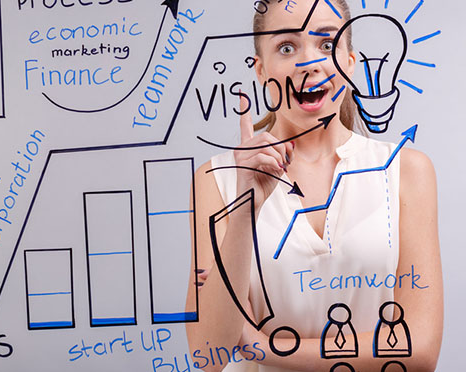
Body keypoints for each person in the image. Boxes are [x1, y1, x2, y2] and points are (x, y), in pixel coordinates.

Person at [185, 1, 443, 371]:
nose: (310, 63)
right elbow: (206, 355)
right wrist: (243, 211)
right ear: (261, 70)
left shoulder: (406, 170)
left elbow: (420, 350)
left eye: (326, 44)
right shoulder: (217, 179)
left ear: (350, 62)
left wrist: (263, 346)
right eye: (287, 47)